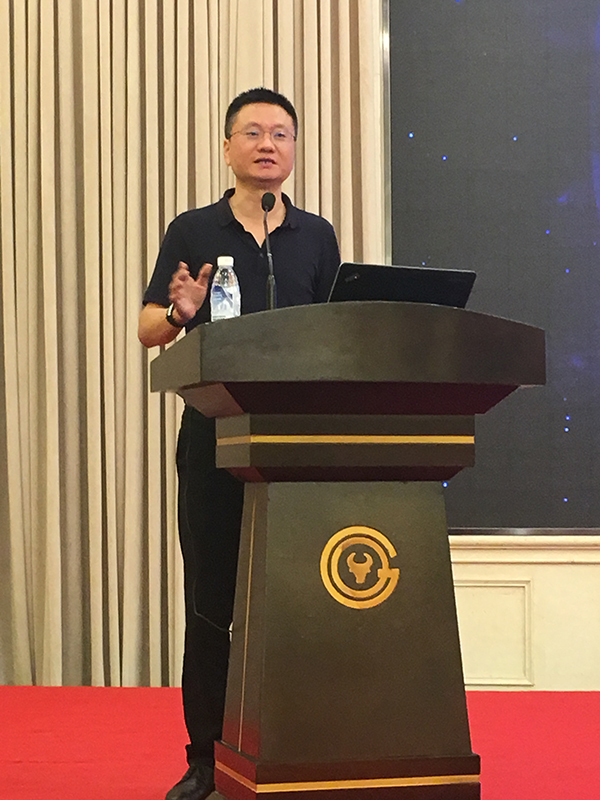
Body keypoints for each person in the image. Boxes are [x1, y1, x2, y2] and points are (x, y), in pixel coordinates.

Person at [139, 87, 340, 800]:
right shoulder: (193, 229)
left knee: (300, 602)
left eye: (281, 133)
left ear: (294, 149)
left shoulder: (316, 235)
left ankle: (296, 747)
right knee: (211, 604)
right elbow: (148, 329)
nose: (267, 144)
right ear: (228, 148)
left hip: (299, 447)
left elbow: (336, 331)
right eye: (252, 133)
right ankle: (205, 760)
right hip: (216, 440)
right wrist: (179, 313)